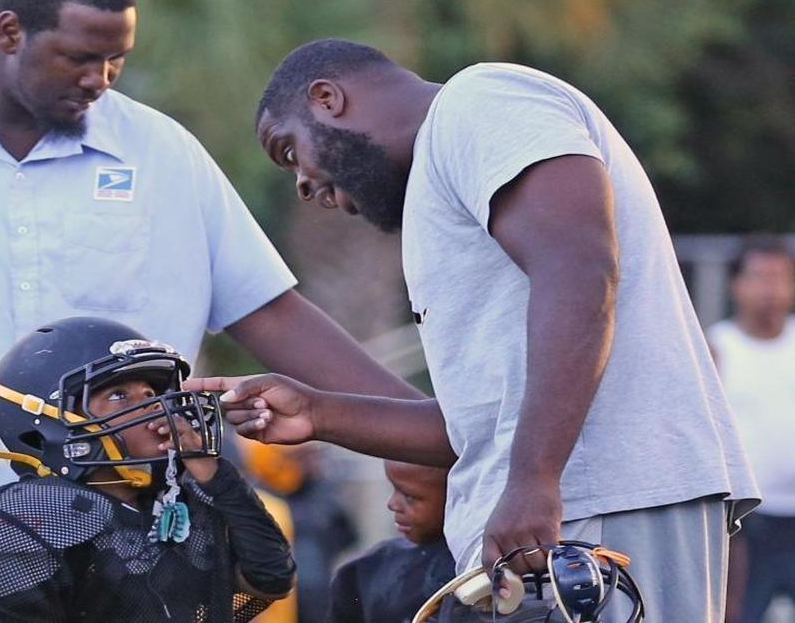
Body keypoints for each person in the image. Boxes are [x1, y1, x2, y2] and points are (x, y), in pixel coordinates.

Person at [0, 0, 419, 573]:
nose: (101, 78)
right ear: (10, 31)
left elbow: (269, 314)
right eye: (79, 57)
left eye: (116, 59)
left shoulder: (161, 153)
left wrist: (428, 429)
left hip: (128, 544)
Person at [187, 38, 759, 623]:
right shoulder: (446, 187)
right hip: (557, 518)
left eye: (290, 152)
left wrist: (533, 482)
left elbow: (580, 269)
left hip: (598, 505)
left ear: (328, 99)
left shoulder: (480, 101)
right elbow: (481, 427)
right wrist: (319, 413)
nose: (304, 186)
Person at [0, 316, 295, 622]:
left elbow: (271, 577)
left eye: (151, 393)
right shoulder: (27, 516)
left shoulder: (180, 499)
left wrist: (212, 472)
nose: (153, 408)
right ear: (47, 422)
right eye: (119, 396)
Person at [708, 236, 795, 623]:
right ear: (736, 285)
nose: (770, 289)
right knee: (737, 613)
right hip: (746, 520)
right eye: (758, 277)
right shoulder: (717, 348)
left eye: (779, 277)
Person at [236, 440, 356, 623]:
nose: (311, 462)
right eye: (301, 456)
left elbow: (345, 539)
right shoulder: (255, 502)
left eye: (311, 455)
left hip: (316, 603)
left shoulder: (321, 494)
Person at [326, 461, 454, 623]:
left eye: (410, 497)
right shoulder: (365, 569)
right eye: (394, 489)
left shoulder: (480, 569)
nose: (392, 504)